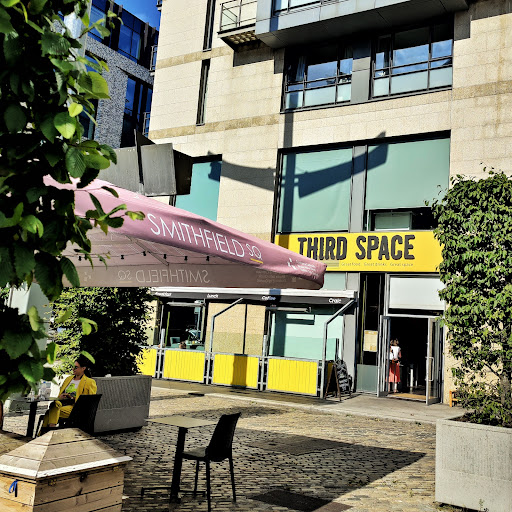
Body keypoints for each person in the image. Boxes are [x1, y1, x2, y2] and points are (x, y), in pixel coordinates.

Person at [40, 355, 97, 434]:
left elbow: (90, 400)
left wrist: (72, 398)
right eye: (72, 366)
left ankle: (44, 433)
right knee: (54, 405)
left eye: (76, 367)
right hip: (62, 404)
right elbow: (60, 393)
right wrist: (60, 397)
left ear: (83, 368)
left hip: (75, 408)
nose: (73, 369)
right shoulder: (68, 379)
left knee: (49, 412)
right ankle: (50, 430)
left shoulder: (89, 382)